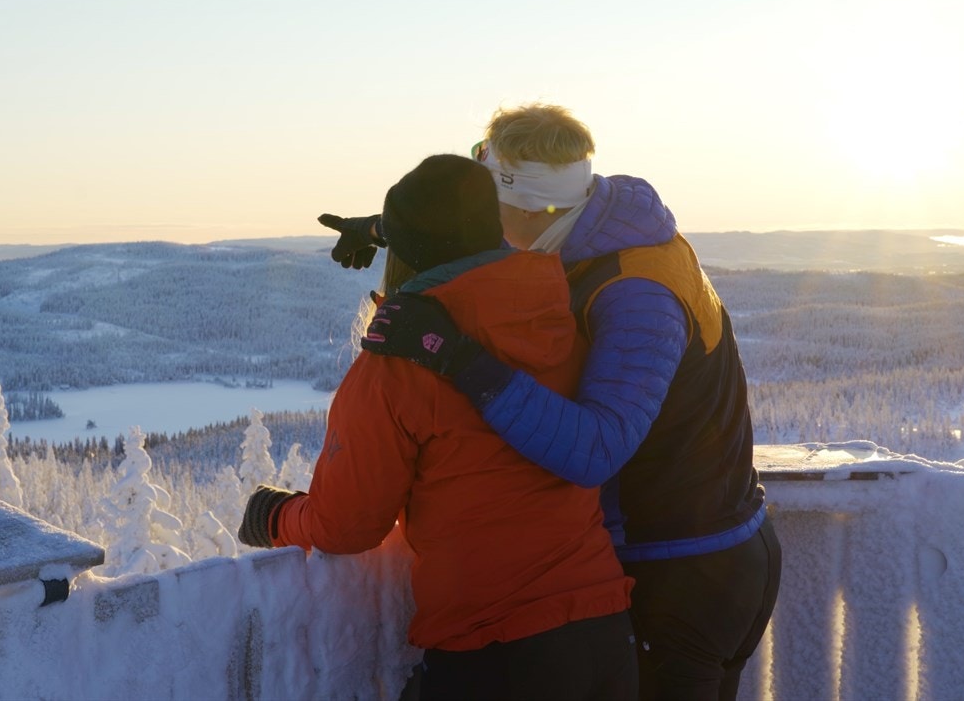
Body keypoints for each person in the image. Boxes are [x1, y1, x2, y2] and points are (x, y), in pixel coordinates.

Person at [322, 105, 780, 701]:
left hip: (686, 575)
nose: (482, 219)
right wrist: (387, 228)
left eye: (490, 204)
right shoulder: (591, 227)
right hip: (697, 557)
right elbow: (484, 227)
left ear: (534, 207)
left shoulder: (635, 291)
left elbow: (597, 450)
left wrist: (457, 358)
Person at [240, 153, 638, 701]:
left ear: (402, 251)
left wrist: (277, 516)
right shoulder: (557, 312)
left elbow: (347, 525)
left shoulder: (396, 364)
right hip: (603, 627)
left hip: (497, 651)